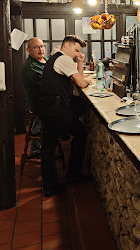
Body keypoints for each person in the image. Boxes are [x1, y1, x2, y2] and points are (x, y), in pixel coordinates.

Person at [37, 35, 90, 197]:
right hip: (57, 109)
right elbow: (81, 83)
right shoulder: (64, 59)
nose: (76, 54)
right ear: (66, 45)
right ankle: (73, 174)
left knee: (48, 147)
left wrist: (80, 62)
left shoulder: (56, 58)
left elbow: (77, 79)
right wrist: (89, 82)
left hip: (46, 107)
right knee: (82, 134)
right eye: (76, 50)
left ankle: (49, 185)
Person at [20, 37, 46, 155]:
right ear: (28, 50)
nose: (40, 49)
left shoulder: (43, 59)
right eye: (36, 47)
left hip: (45, 100)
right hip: (38, 103)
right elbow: (46, 80)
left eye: (41, 46)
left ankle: (52, 139)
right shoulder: (30, 65)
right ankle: (36, 151)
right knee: (37, 124)